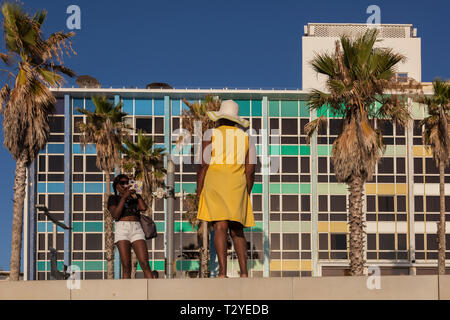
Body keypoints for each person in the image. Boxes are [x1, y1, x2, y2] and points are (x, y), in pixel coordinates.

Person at [197, 100, 256, 278]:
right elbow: (251, 168)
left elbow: (203, 164)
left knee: (220, 226)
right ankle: (244, 273)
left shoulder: (210, 134)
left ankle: (222, 273)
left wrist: (199, 189)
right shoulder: (246, 138)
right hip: (237, 183)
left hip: (215, 182)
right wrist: (247, 189)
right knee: (237, 229)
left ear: (220, 118)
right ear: (236, 120)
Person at [107, 174, 157, 279]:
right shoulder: (113, 198)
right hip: (122, 228)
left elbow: (143, 208)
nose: (125, 185)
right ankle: (126, 293)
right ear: (117, 186)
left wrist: (137, 194)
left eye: (127, 183)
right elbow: (116, 215)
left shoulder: (133, 198)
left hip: (136, 228)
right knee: (126, 265)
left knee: (144, 263)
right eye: (122, 183)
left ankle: (152, 292)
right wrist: (124, 197)